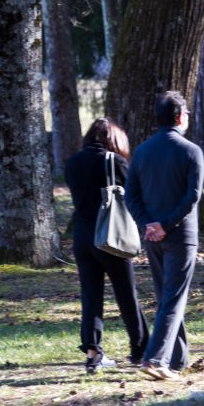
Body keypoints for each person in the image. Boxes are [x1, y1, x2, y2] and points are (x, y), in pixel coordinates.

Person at [125, 91, 204, 380]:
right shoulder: (191, 151)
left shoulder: (142, 151)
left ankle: (177, 359)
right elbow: (192, 197)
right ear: (180, 117)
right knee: (172, 298)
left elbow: (130, 195)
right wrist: (166, 224)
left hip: (152, 236)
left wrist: (149, 224)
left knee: (167, 297)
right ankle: (155, 358)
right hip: (180, 235)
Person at [64, 118, 150, 373]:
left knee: (91, 296)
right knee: (126, 295)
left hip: (82, 236)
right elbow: (135, 195)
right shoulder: (114, 162)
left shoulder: (73, 163)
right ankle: (141, 349)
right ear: (113, 139)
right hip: (111, 235)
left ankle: (92, 353)